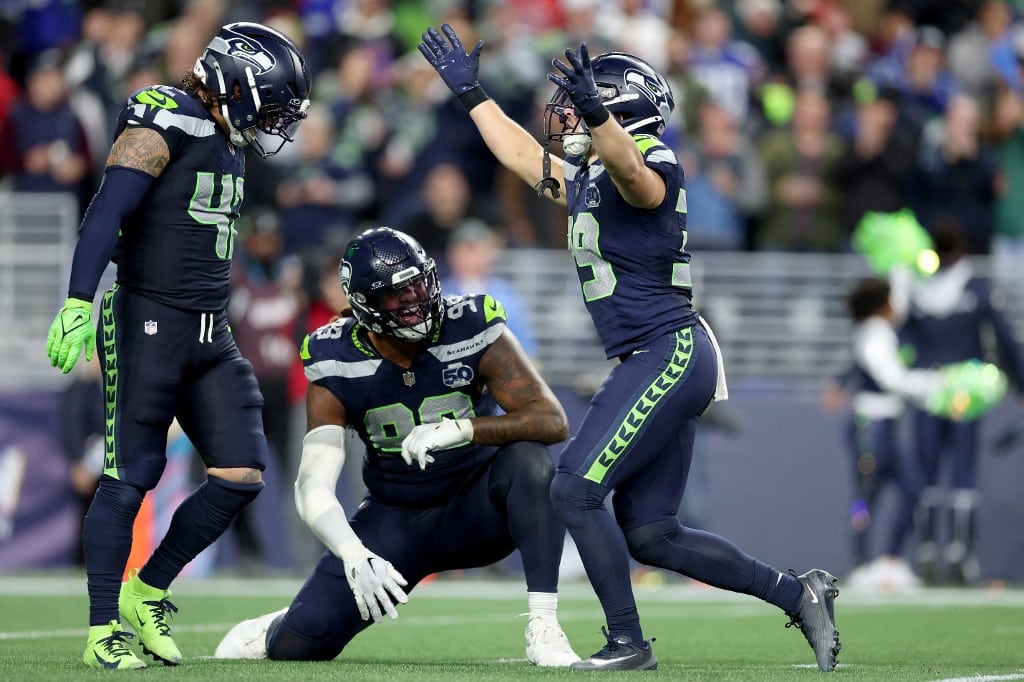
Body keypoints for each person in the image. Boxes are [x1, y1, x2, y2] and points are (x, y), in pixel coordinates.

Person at [418, 24, 840, 672]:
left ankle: (628, 642)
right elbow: (522, 156)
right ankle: (797, 593)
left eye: (586, 104)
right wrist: (472, 94)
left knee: (573, 489)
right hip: (655, 355)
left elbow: (636, 175)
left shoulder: (651, 163)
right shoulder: (586, 178)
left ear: (618, 110)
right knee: (652, 532)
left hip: (665, 351)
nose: (566, 116)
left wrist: (597, 114)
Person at [43, 22, 311, 669]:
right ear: (234, 82)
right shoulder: (165, 112)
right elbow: (109, 208)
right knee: (131, 474)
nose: (274, 119)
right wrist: (81, 297)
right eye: (269, 101)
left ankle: (148, 588)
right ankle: (102, 625)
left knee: (242, 471)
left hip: (209, 329)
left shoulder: (225, 135)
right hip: (147, 318)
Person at [215, 227, 580, 667]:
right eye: (395, 294)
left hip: (478, 508)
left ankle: (545, 625)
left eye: (417, 284)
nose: (413, 300)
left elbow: (552, 421)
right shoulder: (335, 356)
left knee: (530, 461)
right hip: (396, 520)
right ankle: (282, 622)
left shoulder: (470, 323)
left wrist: (463, 429)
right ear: (365, 303)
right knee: (298, 647)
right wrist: (353, 553)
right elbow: (312, 483)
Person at [826, 277, 937, 589]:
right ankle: (861, 564)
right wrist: (933, 384)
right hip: (870, 427)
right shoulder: (875, 335)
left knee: (914, 491)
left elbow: (900, 303)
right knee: (865, 499)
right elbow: (892, 379)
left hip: (887, 424)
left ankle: (890, 560)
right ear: (882, 306)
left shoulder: (880, 331)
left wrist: (902, 270)